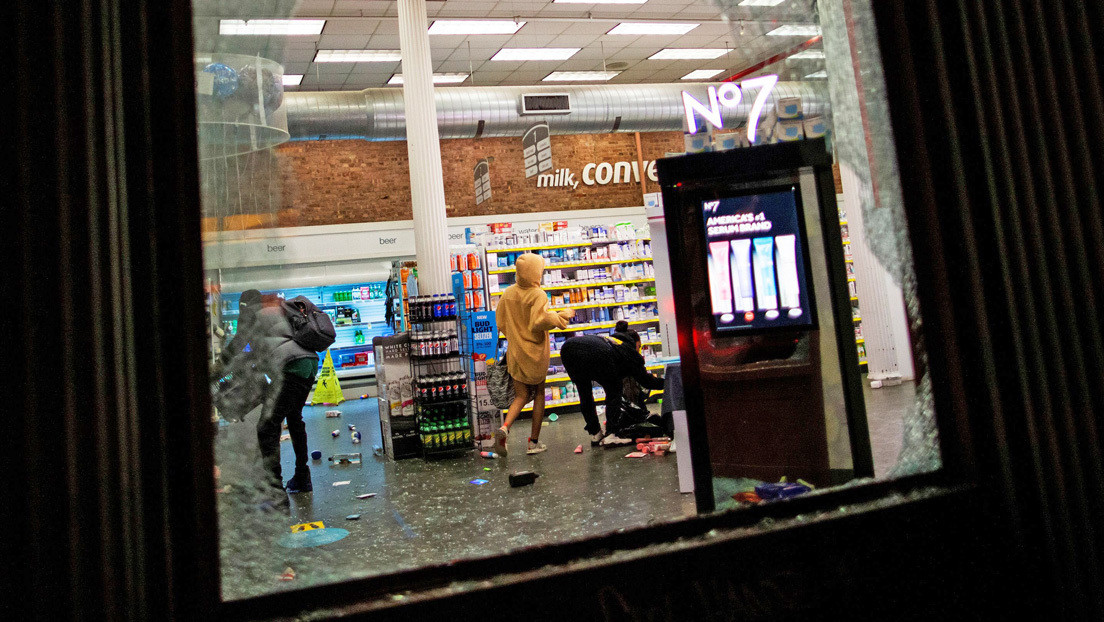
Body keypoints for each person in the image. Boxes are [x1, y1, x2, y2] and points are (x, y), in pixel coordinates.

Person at [222, 289, 319, 494]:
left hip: (291, 369)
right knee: (294, 418)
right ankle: (303, 477)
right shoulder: (275, 312)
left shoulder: (250, 314)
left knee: (267, 427)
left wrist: (218, 367)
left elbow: (239, 344)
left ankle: (274, 488)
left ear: (243, 305)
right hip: (309, 364)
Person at [494, 253, 574, 455]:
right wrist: (561, 316)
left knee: (521, 395)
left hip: (515, 351)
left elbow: (501, 322)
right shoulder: (538, 295)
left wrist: (515, 336)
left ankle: (505, 428)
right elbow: (539, 321)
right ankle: (534, 442)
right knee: (538, 394)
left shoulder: (508, 294)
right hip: (535, 354)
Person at [560, 327, 665, 447]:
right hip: (598, 353)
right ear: (634, 343)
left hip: (568, 349)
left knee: (585, 393)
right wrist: (667, 382)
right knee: (614, 390)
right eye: (639, 346)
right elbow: (646, 381)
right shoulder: (628, 351)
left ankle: (596, 433)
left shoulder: (612, 341)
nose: (639, 349)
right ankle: (611, 434)